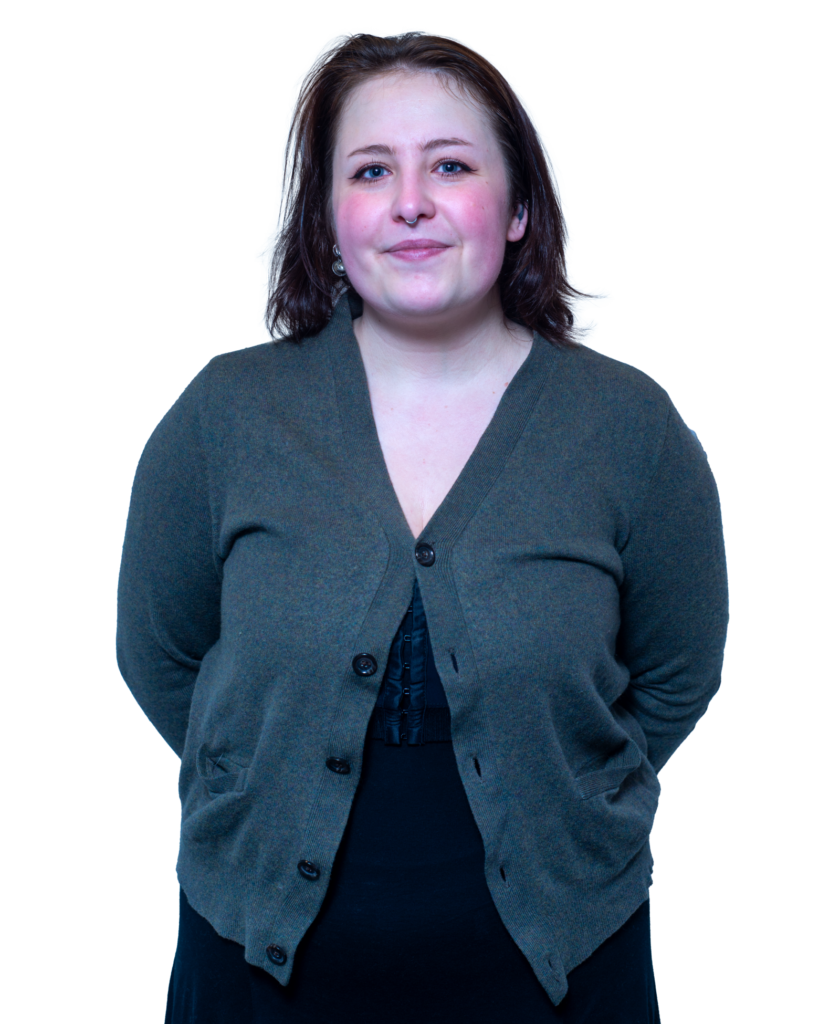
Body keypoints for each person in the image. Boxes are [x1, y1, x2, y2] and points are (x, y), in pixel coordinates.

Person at [116, 28, 728, 1024]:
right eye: (370, 171)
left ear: (520, 207)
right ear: (327, 215)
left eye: (450, 165)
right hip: (254, 967)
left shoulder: (631, 427)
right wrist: (255, 778)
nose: (410, 202)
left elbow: (678, 674)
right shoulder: (224, 413)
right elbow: (161, 655)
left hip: (564, 969)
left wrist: (571, 796)